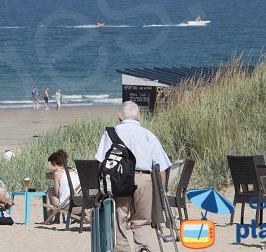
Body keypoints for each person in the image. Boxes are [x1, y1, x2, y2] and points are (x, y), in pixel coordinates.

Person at [94, 101, 171, 252]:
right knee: (142, 220)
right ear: (139, 116)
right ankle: (143, 248)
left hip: (119, 179)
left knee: (118, 219)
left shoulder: (111, 133)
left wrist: (100, 190)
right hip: (144, 179)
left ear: (119, 116)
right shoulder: (148, 134)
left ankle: (122, 249)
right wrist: (161, 191)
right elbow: (161, 166)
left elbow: (102, 164)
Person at [42, 149, 80, 225]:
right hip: (80, 205)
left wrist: (54, 178)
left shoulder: (57, 173)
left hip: (68, 206)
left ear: (54, 163)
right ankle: (56, 219)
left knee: (50, 191)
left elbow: (56, 194)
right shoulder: (75, 170)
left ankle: (49, 219)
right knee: (59, 195)